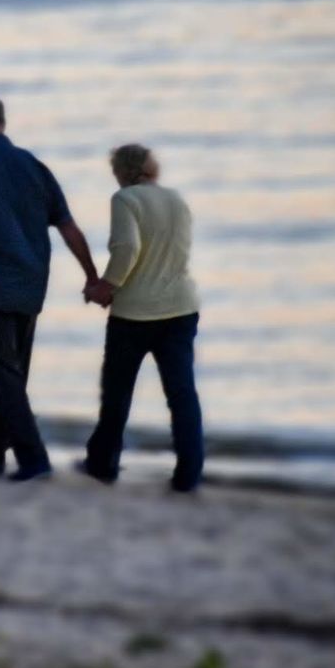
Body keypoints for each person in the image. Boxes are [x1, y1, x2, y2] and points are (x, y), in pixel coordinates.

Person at [0, 97, 99, 481]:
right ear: (3, 123)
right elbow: (68, 227)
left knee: (6, 378)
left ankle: (33, 460)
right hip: (29, 288)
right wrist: (91, 275)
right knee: (11, 374)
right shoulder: (33, 166)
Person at [80, 143, 204, 492]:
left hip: (134, 314)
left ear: (122, 172)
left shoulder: (125, 200)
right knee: (182, 395)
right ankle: (189, 474)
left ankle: (103, 465)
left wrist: (106, 286)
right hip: (181, 309)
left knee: (117, 393)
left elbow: (128, 247)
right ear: (152, 168)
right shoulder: (177, 199)